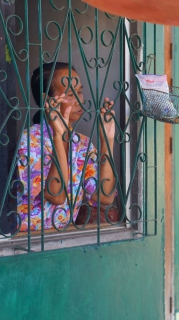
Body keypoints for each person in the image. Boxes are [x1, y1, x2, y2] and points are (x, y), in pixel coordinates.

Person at [16, 62, 116, 231]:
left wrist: (107, 140)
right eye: (70, 94)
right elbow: (56, 195)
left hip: (65, 239)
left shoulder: (82, 144)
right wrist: (59, 138)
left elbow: (104, 197)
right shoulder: (30, 142)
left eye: (80, 92)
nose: (79, 100)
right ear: (48, 100)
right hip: (28, 241)